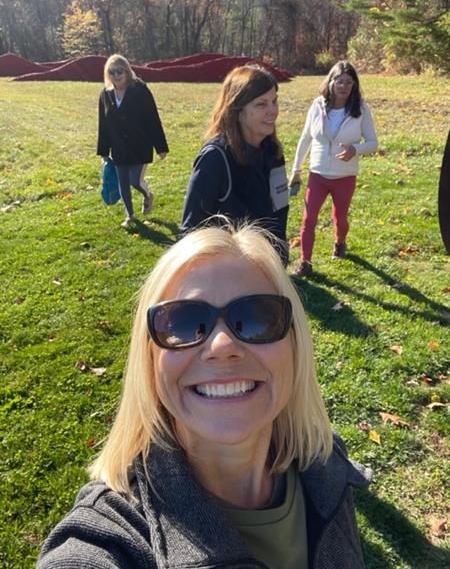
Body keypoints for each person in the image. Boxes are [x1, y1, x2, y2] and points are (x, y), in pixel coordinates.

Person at [38, 223, 370, 569]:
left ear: (295, 345)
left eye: (256, 317)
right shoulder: (110, 536)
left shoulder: (324, 460)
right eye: (183, 323)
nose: (222, 346)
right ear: (149, 360)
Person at [181, 64, 289, 264]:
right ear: (237, 110)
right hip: (225, 272)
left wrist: (279, 259)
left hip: (265, 268)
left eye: (274, 101)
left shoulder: (273, 153)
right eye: (261, 104)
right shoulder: (215, 159)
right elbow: (191, 232)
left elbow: (279, 211)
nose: (273, 111)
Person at [289, 60, 378, 277]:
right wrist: (296, 170)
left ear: (354, 85)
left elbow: (373, 143)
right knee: (309, 218)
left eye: (349, 82)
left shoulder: (360, 109)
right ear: (331, 82)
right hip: (318, 174)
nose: (344, 86)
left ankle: (340, 242)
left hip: (345, 176)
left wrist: (355, 149)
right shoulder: (317, 105)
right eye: (339, 81)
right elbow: (305, 138)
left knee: (340, 217)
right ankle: (305, 263)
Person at [97, 54, 169, 228]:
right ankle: (129, 215)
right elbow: (103, 124)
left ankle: (147, 195)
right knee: (123, 183)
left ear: (127, 71)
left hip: (140, 144)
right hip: (119, 147)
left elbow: (153, 118)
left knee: (135, 181)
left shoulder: (140, 90)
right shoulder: (105, 94)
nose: (116, 75)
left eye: (119, 70)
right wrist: (104, 151)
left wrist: (161, 146)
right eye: (112, 72)